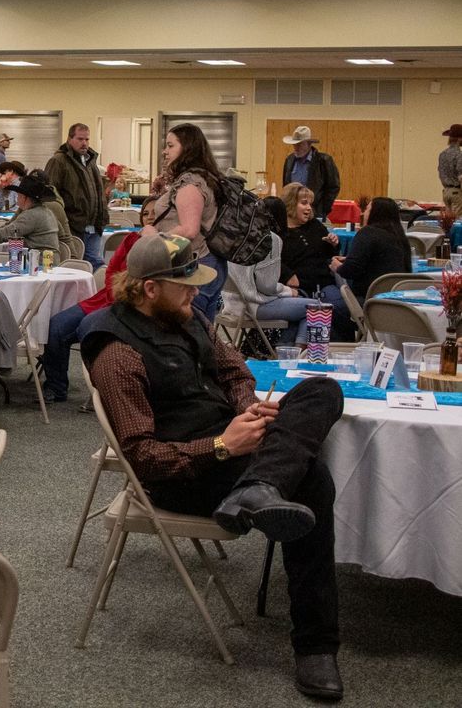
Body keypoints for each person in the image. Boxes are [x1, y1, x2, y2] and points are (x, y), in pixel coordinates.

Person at [82, 235, 345, 702]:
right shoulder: (117, 354)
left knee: (322, 389)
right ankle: (316, 646)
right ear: (147, 289)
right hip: (184, 473)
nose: (196, 292)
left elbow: (234, 371)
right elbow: (144, 458)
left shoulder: (185, 315)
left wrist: (247, 411)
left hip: (231, 445)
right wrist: (223, 445)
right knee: (311, 479)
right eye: (185, 284)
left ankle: (261, 486)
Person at [42, 203, 154, 401]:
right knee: (56, 326)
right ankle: (56, 386)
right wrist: (115, 294)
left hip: (131, 309)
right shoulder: (131, 239)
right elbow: (111, 270)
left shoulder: (166, 247)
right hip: (104, 300)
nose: (150, 217)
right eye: (146, 213)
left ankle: (105, 386)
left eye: (155, 213)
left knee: (89, 331)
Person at [147, 123, 226, 321]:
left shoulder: (190, 183)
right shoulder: (201, 178)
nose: (165, 151)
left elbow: (189, 230)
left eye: (170, 145)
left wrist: (154, 239)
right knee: (202, 333)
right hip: (206, 262)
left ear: (187, 148)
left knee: (189, 330)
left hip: (198, 263)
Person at [224, 197, 313, 347]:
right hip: (253, 306)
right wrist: (288, 291)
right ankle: (296, 357)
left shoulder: (238, 233)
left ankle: (285, 349)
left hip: (231, 304)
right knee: (316, 308)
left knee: (297, 310)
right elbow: (267, 286)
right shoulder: (271, 239)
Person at [46, 123, 110, 267]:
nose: (84, 143)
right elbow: (50, 195)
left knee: (94, 264)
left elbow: (97, 192)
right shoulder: (58, 161)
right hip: (73, 226)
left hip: (95, 224)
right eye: (80, 139)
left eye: (87, 139)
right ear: (70, 139)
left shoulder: (90, 161)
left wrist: (103, 216)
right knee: (76, 265)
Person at [331, 196, 410, 301]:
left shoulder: (367, 233)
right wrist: (350, 259)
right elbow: (383, 262)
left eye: (367, 209)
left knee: (324, 308)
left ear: (375, 214)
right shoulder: (400, 237)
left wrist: (337, 267)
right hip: (397, 300)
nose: (362, 214)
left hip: (368, 299)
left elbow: (351, 271)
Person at [280, 183, 343, 313]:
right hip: (297, 288)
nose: (309, 208)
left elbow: (330, 256)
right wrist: (287, 274)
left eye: (310, 204)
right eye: (304, 203)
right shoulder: (279, 232)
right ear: (290, 204)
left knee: (339, 308)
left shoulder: (315, 225)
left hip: (324, 284)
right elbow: (271, 261)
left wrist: (333, 244)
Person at [0, 174, 61, 254]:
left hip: (41, 262)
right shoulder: (45, 211)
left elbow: (7, 233)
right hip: (46, 259)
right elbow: (8, 226)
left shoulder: (31, 215)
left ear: (24, 198)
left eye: (18, 195)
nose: (17, 199)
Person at [281, 126, 340, 220]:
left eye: (299, 144)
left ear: (309, 144)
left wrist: (323, 209)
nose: (296, 147)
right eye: (294, 144)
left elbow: (333, 187)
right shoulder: (289, 160)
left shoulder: (324, 161)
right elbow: (286, 186)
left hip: (315, 212)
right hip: (292, 211)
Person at [439, 124, 462, 215]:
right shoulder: (459, 154)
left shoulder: (442, 154)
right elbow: (461, 176)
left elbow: (441, 173)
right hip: (456, 192)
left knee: (448, 221)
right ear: (459, 139)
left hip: (446, 192)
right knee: (458, 222)